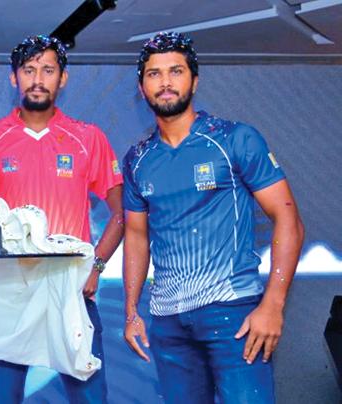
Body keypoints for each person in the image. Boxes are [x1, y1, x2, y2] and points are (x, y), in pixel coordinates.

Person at [122, 31, 304, 403]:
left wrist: (272, 305)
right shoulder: (137, 159)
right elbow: (137, 236)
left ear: (194, 80)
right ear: (142, 88)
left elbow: (289, 221)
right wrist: (130, 311)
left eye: (176, 71)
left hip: (233, 313)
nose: (166, 82)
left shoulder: (235, 138)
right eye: (154, 74)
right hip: (168, 321)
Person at [0, 34, 124, 403]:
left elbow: (122, 213)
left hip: (71, 290)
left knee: (91, 398)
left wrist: (96, 265)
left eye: (48, 70)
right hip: (9, 294)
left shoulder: (87, 138)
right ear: (14, 78)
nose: (37, 79)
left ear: (63, 78)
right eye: (28, 70)